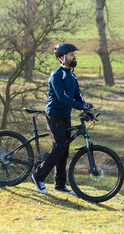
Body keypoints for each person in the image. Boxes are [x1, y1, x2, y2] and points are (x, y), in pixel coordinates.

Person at [31, 43, 93, 194]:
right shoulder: (56, 75)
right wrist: (80, 106)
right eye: (71, 54)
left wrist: (86, 107)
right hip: (54, 114)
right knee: (58, 146)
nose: (74, 56)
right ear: (62, 57)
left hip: (65, 116)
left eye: (74, 54)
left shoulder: (72, 75)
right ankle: (38, 176)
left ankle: (59, 184)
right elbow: (62, 97)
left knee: (64, 150)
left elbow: (78, 95)